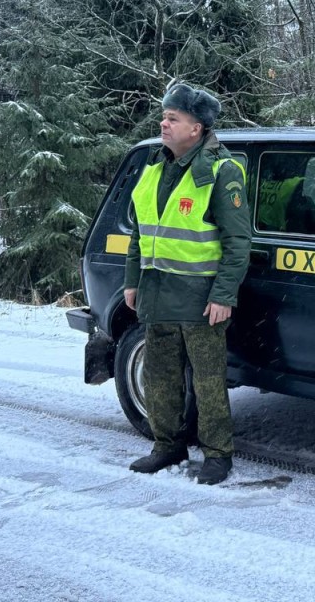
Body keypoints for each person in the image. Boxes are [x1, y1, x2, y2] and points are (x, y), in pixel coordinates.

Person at [123, 82, 250, 485]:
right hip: (157, 294)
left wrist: (224, 294)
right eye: (164, 116)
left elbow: (237, 241)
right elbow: (140, 234)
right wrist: (132, 281)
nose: (163, 123)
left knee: (209, 381)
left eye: (172, 118)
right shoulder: (154, 168)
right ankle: (167, 446)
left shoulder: (220, 171)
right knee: (159, 378)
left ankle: (217, 454)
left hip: (201, 299)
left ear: (196, 128)